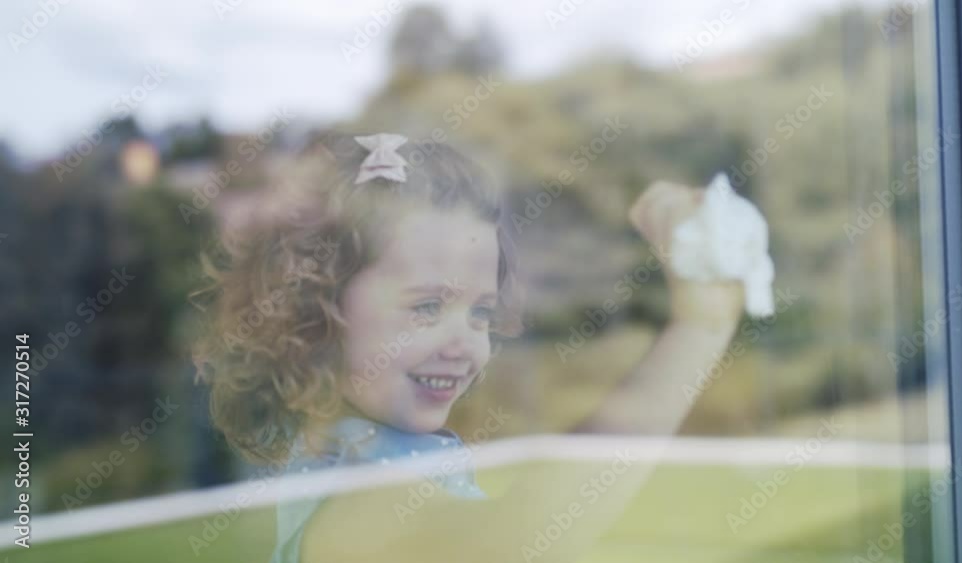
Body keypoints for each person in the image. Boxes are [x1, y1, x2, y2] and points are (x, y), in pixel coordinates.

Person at [193, 132, 748, 562]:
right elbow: (515, 540)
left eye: (480, 312)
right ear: (316, 316)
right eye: (427, 307)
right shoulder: (354, 500)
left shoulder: (385, 454)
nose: (465, 343)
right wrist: (698, 330)